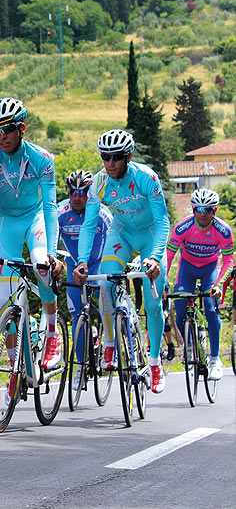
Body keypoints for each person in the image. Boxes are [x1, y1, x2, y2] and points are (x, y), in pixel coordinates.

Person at [0, 97, 64, 404]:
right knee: (4, 303)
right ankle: (15, 368)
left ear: (22, 128)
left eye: (8, 129)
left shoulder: (42, 158)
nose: (2, 136)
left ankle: (52, 332)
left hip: (35, 218)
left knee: (39, 262)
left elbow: (50, 207)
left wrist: (51, 251)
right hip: (5, 223)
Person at [73, 129, 169, 394]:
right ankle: (111, 342)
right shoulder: (99, 183)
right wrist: (81, 261)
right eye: (105, 157)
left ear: (127, 156)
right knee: (106, 282)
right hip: (122, 234)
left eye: (116, 157)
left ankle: (154, 361)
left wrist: (156, 258)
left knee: (152, 302)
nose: (110, 163)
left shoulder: (146, 177)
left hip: (150, 235)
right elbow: (89, 225)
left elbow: (162, 220)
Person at [166, 188, 233, 381]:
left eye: (208, 209)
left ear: (215, 211)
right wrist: (163, 281)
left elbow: (229, 261)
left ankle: (215, 358)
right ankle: (189, 345)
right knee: (179, 310)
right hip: (187, 268)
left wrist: (219, 284)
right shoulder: (182, 227)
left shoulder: (223, 230)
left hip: (210, 269)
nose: (203, 213)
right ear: (193, 209)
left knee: (211, 310)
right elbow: (169, 256)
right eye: (199, 209)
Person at [58, 170, 112, 384]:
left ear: (91, 192)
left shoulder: (103, 213)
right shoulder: (60, 211)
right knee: (76, 317)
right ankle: (80, 366)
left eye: (83, 192)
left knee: (106, 302)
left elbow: (115, 241)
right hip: (74, 265)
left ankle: (111, 343)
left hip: (99, 263)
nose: (77, 197)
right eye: (73, 192)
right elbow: (51, 237)